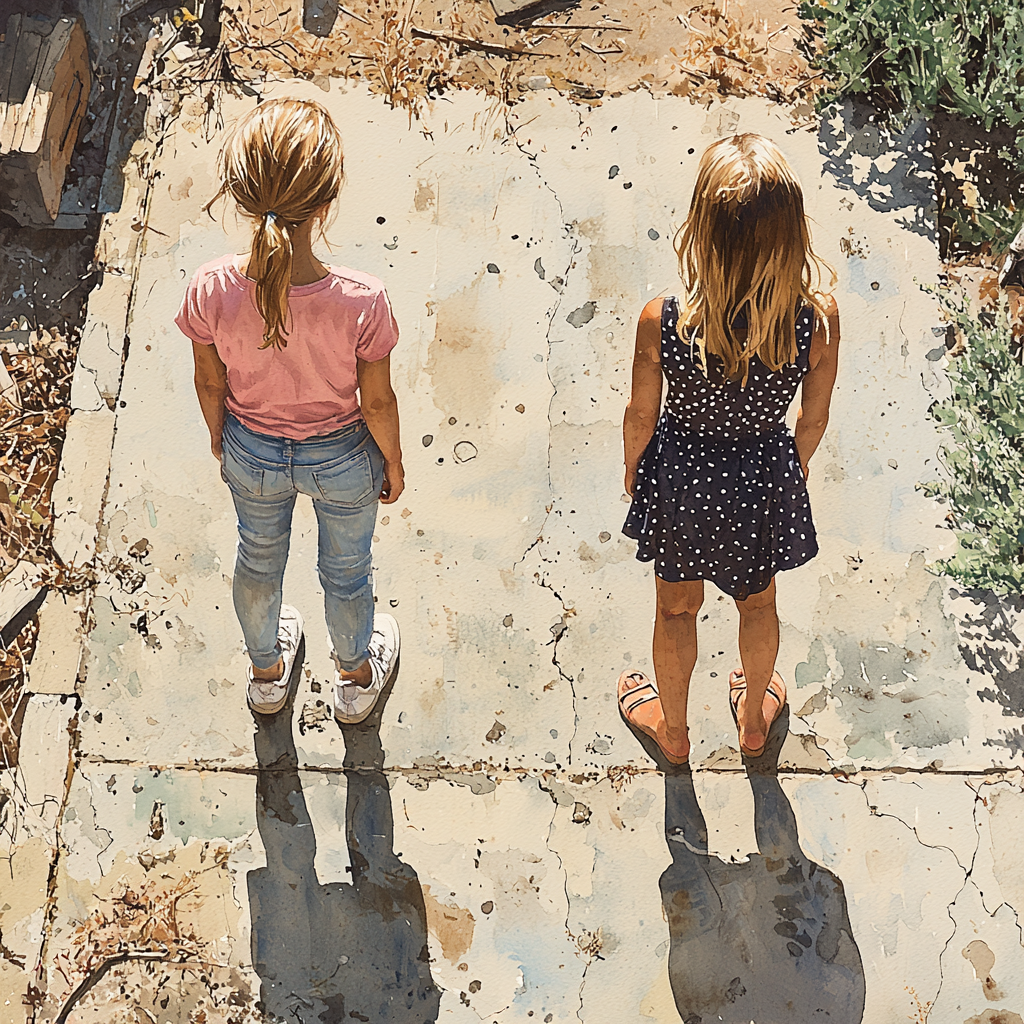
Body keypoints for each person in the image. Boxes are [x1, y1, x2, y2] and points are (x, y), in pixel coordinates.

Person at [176, 98, 404, 723]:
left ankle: (267, 675)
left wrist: (224, 440)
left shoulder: (211, 288)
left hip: (253, 449)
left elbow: (208, 383)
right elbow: (377, 401)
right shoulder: (362, 300)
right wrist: (394, 461)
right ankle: (356, 680)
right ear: (325, 204)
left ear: (242, 195)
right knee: (347, 572)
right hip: (343, 458)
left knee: (256, 558)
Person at [618, 133, 840, 764]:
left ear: (701, 232)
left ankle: (674, 731)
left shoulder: (664, 320)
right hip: (762, 475)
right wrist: (785, 472)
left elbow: (640, 413)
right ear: (793, 235)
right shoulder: (816, 319)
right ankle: (751, 722)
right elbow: (813, 420)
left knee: (675, 611)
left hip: (683, 477)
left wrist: (637, 470)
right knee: (760, 603)